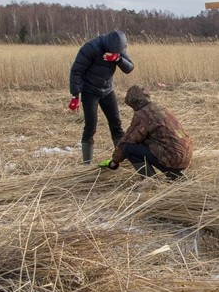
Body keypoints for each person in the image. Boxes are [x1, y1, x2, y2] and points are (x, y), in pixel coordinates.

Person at [69, 30, 134, 164]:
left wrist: (118, 59)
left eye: (119, 52)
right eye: (115, 52)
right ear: (107, 45)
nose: (117, 53)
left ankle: (121, 157)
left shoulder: (118, 49)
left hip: (107, 91)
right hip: (90, 91)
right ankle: (87, 163)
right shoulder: (90, 48)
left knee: (116, 124)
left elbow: (129, 68)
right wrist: (75, 95)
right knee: (90, 126)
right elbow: (76, 71)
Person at [101, 85, 193, 181]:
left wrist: (114, 162)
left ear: (133, 102)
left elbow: (127, 140)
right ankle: (176, 176)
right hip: (186, 156)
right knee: (144, 140)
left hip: (172, 158)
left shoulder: (143, 114)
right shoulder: (160, 108)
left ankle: (150, 181)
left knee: (128, 148)